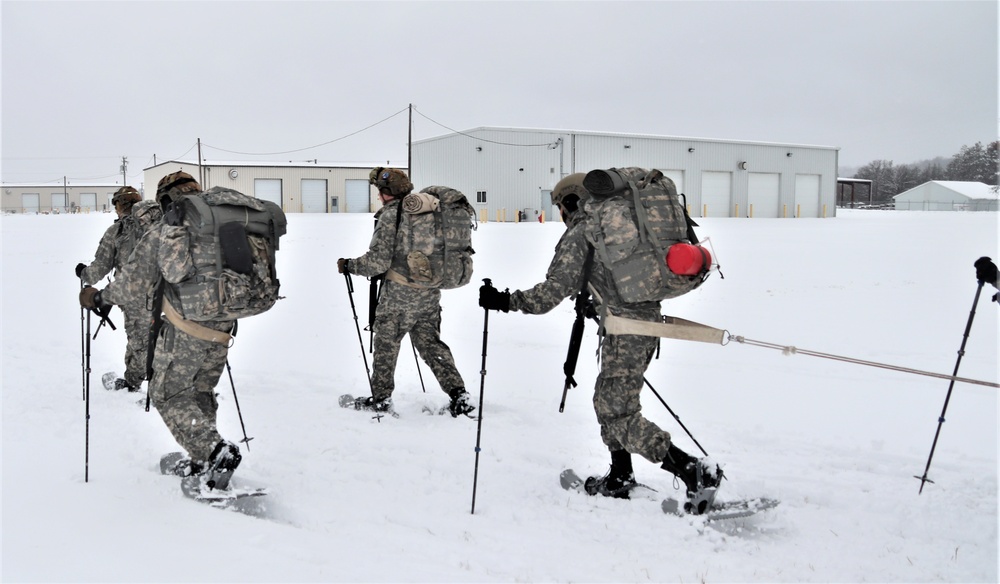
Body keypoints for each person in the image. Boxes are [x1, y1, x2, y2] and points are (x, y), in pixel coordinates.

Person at [478, 173, 723, 513]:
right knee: (609, 402)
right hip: (638, 325)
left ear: (572, 203)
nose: (561, 214)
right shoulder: (608, 230)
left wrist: (505, 301)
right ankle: (620, 475)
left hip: (627, 332)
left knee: (617, 413)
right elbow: (612, 277)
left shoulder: (583, 231)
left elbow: (551, 292)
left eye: (562, 206)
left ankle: (693, 470)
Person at [78, 171, 242, 491]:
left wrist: (98, 297)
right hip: (225, 324)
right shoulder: (221, 219)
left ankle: (214, 452)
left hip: (185, 322)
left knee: (166, 392)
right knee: (199, 391)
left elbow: (133, 281)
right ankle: (201, 458)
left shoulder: (165, 229)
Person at [337, 168, 474, 417]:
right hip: (429, 293)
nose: (379, 196)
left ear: (385, 193)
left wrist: (350, 265)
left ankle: (380, 399)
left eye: (380, 191)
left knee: (386, 345)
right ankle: (459, 395)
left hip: (398, 296)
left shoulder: (392, 215)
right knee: (431, 345)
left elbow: (377, 262)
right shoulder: (428, 213)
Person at [75, 185, 147, 392]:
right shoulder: (161, 226)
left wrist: (83, 273)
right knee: (161, 337)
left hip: (134, 296)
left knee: (140, 341)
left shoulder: (117, 232)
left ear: (120, 205)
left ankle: (133, 385)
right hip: (168, 294)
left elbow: (97, 270)